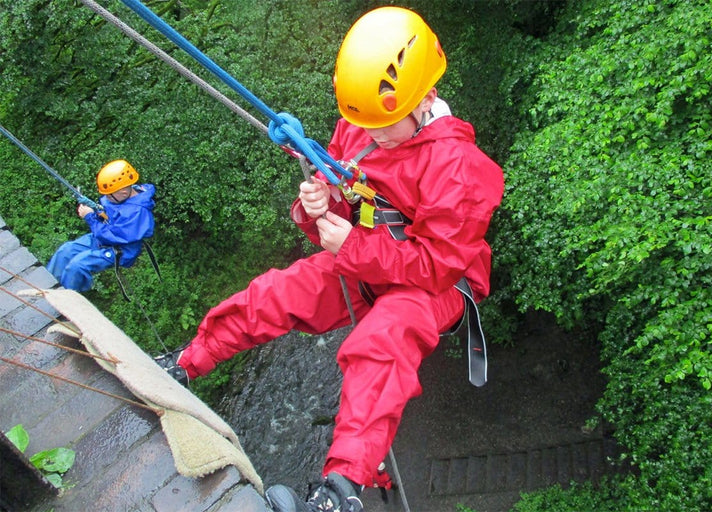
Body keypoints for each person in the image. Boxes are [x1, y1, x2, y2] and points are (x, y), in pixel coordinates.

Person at [161, 6, 504, 511]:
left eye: (386, 125)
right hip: (365, 261)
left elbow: (437, 266)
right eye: (368, 124)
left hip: (431, 287)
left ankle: (340, 489)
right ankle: (188, 363)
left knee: (382, 342)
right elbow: (345, 197)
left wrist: (353, 246)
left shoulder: (460, 170)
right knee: (277, 293)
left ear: (425, 97)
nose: (376, 136)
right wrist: (316, 206)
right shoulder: (360, 126)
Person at [46, 159, 156, 292]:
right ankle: (47, 286)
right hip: (101, 237)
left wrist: (90, 218)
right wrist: (95, 211)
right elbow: (110, 215)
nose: (107, 199)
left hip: (119, 248)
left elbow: (114, 236)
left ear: (123, 193)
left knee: (77, 266)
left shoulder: (138, 212)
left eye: (109, 197)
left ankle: (66, 300)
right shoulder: (122, 196)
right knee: (66, 251)